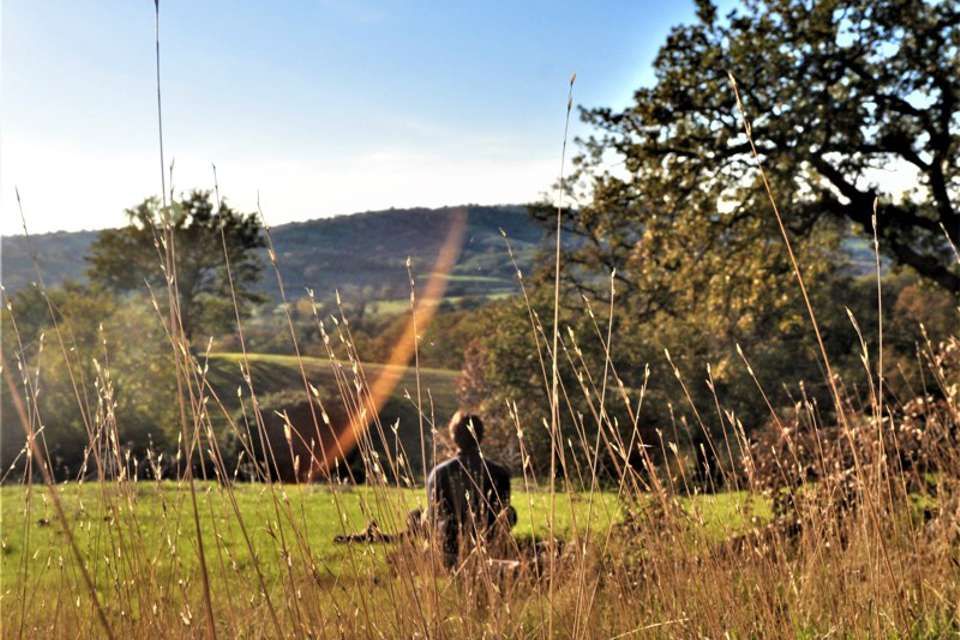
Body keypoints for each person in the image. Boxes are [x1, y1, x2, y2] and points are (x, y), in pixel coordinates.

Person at [426, 412, 514, 568]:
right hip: (490, 551)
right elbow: (503, 517)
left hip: (449, 553)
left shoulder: (439, 473)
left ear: (453, 436)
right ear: (481, 437)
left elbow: (434, 519)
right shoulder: (500, 474)